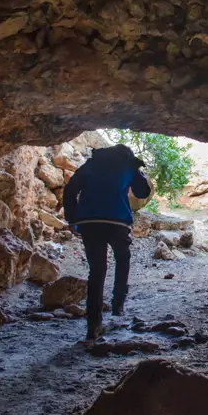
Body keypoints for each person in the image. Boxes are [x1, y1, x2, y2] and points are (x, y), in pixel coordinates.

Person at [63, 144, 151, 340]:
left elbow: (70, 189)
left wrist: (72, 218)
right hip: (117, 221)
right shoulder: (128, 166)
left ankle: (93, 324)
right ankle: (118, 302)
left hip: (89, 222)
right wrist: (137, 171)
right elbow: (142, 192)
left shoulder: (91, 164)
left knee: (97, 270)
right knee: (123, 257)